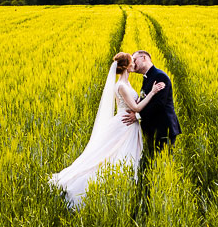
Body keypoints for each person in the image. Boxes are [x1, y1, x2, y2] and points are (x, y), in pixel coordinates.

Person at [49, 52, 166, 208]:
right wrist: (153, 92)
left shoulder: (127, 84)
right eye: (131, 63)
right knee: (116, 157)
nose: (134, 65)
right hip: (125, 125)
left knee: (124, 157)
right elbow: (136, 107)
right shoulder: (121, 86)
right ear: (126, 66)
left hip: (130, 125)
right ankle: (99, 190)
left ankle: (124, 192)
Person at [120, 50, 180, 168]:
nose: (133, 63)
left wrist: (137, 116)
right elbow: (145, 100)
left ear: (144, 58)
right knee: (154, 163)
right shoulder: (147, 77)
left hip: (163, 128)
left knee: (164, 164)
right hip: (152, 129)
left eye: (135, 60)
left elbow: (159, 104)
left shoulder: (159, 76)